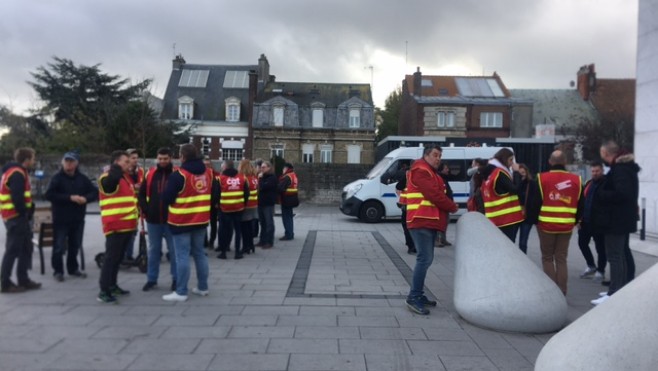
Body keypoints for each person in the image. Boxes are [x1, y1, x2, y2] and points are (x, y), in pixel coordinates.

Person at [405, 146, 458, 315]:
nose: (438, 159)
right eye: (435, 155)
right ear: (426, 155)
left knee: (425, 259)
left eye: (440, 156)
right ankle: (414, 297)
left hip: (426, 220)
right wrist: (451, 206)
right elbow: (433, 194)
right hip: (421, 220)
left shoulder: (429, 171)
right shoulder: (421, 170)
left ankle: (418, 294)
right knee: (424, 259)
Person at [161, 144, 217, 301]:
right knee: (200, 254)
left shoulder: (179, 175)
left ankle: (181, 291)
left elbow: (167, 198)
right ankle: (202, 287)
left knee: (182, 256)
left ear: (182, 156)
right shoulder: (208, 173)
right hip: (201, 220)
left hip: (181, 222)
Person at [590, 141, 640, 306]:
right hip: (621, 219)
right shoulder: (625, 169)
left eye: (602, 153)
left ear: (606, 153)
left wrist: (602, 194)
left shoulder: (620, 170)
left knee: (615, 256)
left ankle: (614, 292)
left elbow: (622, 193)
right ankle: (619, 288)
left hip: (616, 220)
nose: (602, 157)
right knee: (621, 254)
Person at [532, 150, 583, 295]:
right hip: (566, 226)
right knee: (561, 259)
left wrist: (535, 221)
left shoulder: (541, 178)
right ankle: (562, 290)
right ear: (565, 162)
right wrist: (575, 220)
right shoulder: (577, 180)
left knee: (547, 258)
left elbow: (535, 203)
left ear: (550, 162)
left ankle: (553, 292)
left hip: (545, 225)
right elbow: (581, 204)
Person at [45, 151, 98, 282]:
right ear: (63, 162)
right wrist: (69, 198)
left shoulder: (82, 178)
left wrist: (86, 199)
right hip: (61, 219)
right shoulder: (57, 178)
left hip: (77, 218)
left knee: (75, 245)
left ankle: (73, 268)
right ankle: (58, 271)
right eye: (66, 161)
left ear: (76, 163)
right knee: (58, 246)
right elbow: (49, 195)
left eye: (71, 161)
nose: (68, 164)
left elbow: (94, 192)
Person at [97, 150, 136, 303]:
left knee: (117, 259)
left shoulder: (124, 177)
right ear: (116, 162)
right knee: (110, 259)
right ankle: (104, 290)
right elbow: (109, 185)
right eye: (125, 161)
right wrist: (115, 170)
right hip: (115, 225)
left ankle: (113, 285)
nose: (129, 164)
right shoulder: (108, 177)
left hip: (126, 225)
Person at [0, 147, 42, 293]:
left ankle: (23, 279)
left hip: (14, 216)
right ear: (27, 160)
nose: (34, 161)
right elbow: (17, 198)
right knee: (12, 250)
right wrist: (25, 212)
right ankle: (5, 283)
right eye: (33, 158)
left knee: (25, 248)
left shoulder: (13, 172)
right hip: (16, 217)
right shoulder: (17, 174)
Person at [138, 147, 177, 292]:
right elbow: (141, 194)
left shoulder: (177, 173)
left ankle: (176, 279)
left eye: (165, 159)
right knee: (154, 251)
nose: (162, 161)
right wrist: (146, 209)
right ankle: (151, 279)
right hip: (153, 220)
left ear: (170, 158)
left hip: (172, 220)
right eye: (160, 159)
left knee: (174, 252)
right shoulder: (150, 173)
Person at [480, 148, 524, 241]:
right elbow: (515, 189)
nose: (512, 163)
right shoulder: (500, 173)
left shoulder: (489, 175)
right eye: (510, 160)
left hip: (494, 217)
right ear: (504, 159)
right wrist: (517, 173)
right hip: (507, 218)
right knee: (508, 246)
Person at [577, 162, 606, 281]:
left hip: (598, 222)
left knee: (601, 248)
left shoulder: (606, 184)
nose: (594, 173)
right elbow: (582, 201)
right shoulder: (588, 183)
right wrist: (579, 219)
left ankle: (601, 270)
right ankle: (591, 265)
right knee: (582, 243)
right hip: (585, 221)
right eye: (593, 171)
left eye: (597, 171)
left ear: (602, 171)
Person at [217, 160, 249, 260]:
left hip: (224, 209)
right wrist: (243, 204)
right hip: (238, 208)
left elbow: (216, 194)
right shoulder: (242, 177)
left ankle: (223, 252)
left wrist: (217, 204)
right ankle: (237, 252)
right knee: (238, 231)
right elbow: (246, 193)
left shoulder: (219, 179)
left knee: (224, 230)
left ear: (225, 167)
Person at [124, 148, 145, 262]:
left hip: (136, 207)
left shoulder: (140, 171)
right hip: (124, 207)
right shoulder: (123, 172)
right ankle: (122, 255)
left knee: (133, 232)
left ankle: (129, 255)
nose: (135, 160)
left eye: (137, 158)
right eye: (133, 158)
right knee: (124, 233)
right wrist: (133, 187)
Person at [394, 162, 416, 254]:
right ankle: (416, 245)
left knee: (407, 226)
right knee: (416, 227)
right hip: (419, 206)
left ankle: (410, 245)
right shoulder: (423, 175)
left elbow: (399, 186)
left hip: (407, 205)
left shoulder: (407, 174)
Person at [516, 163, 537, 254]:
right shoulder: (515, 183)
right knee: (510, 239)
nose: (522, 173)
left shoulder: (532, 183)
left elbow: (534, 200)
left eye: (523, 171)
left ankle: (523, 261)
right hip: (515, 215)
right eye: (520, 172)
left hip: (527, 216)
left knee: (523, 242)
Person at [238, 159, 258, 255]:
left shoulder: (244, 178)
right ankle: (251, 245)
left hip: (246, 205)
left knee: (244, 228)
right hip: (254, 205)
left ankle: (245, 247)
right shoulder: (254, 177)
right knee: (250, 226)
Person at [256, 161, 277, 249]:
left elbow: (263, 187)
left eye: (264, 167)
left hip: (268, 203)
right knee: (262, 223)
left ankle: (269, 241)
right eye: (261, 167)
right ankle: (262, 240)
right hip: (260, 203)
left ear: (269, 168)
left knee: (269, 223)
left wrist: (260, 179)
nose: (262, 169)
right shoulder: (263, 177)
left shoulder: (272, 178)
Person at [278, 162, 299, 241]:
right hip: (292, 198)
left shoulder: (287, 177)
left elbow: (280, 188)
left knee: (286, 218)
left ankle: (288, 234)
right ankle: (291, 233)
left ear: (286, 168)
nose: (282, 170)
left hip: (286, 199)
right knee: (289, 217)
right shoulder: (294, 175)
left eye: (283, 169)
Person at [203, 157, 220, 250]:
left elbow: (219, 189)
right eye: (204, 165)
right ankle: (204, 241)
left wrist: (216, 202)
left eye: (208, 164)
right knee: (203, 224)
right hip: (203, 204)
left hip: (213, 204)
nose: (206, 166)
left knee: (213, 224)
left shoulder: (216, 175)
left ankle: (212, 241)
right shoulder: (199, 175)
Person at [436, 163, 454, 247]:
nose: (448, 170)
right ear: (441, 169)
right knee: (440, 223)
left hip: (446, 205)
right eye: (446, 168)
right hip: (442, 205)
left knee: (446, 222)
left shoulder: (444, 178)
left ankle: (443, 239)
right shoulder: (440, 178)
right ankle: (438, 240)